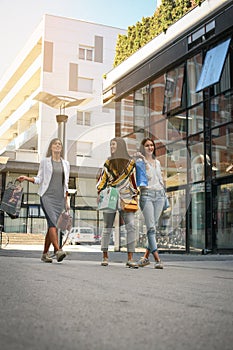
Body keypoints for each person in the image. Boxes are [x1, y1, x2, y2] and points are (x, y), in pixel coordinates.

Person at [17, 138, 70, 263]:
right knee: (52, 223)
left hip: (59, 199)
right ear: (51, 147)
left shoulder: (66, 164)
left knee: (53, 226)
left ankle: (45, 254)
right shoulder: (45, 162)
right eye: (55, 144)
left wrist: (66, 201)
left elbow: (66, 184)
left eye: (59, 144)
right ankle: (58, 250)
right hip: (47, 197)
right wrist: (26, 178)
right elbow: (39, 179)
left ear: (61, 148)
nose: (57, 146)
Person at [97, 137, 139, 268]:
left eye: (113, 145)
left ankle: (130, 258)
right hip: (110, 196)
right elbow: (103, 178)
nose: (111, 147)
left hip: (126, 197)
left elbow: (133, 180)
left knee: (131, 226)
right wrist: (99, 192)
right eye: (110, 145)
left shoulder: (131, 163)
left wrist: (136, 194)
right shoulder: (108, 162)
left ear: (120, 146)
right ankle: (105, 256)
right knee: (107, 227)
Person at [136, 137, 165, 269]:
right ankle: (158, 260)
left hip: (159, 196)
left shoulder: (158, 163)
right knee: (151, 228)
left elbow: (159, 179)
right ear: (143, 148)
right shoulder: (140, 162)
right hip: (146, 195)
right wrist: (144, 160)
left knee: (153, 228)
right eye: (147, 145)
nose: (150, 147)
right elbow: (143, 178)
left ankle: (145, 257)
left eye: (151, 145)